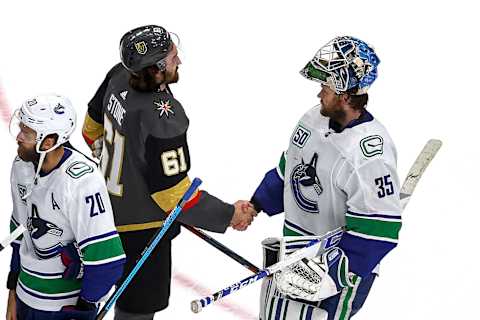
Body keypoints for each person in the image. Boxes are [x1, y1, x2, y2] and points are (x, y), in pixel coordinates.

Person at [81, 25, 256, 319]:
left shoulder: (118, 74)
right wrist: (229, 215)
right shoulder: (163, 117)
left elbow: (90, 128)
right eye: (173, 57)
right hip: (141, 232)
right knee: (136, 310)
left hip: (101, 212)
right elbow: (175, 198)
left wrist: (118, 163)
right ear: (157, 68)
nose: (180, 61)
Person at [251, 36, 402, 320]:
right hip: (293, 256)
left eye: (325, 87)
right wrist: (256, 204)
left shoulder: (369, 156)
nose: (318, 94)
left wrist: (329, 275)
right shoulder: (312, 119)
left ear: (345, 95)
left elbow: (378, 233)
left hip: (336, 274)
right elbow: (290, 169)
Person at [6, 94, 126, 320]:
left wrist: (83, 308)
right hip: (25, 298)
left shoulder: (81, 180)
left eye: (27, 133)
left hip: (61, 309)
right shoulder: (22, 166)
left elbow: (107, 260)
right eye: (21, 128)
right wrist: (12, 290)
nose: (19, 137)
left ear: (48, 141)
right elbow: (19, 234)